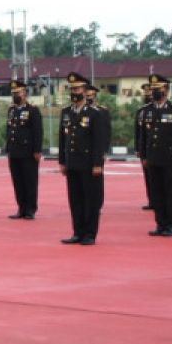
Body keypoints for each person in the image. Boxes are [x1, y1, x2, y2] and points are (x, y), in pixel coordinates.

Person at [59, 73, 108, 245]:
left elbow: (99, 141)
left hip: (89, 164)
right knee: (75, 200)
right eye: (72, 89)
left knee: (90, 200)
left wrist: (97, 164)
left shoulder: (95, 114)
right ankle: (77, 232)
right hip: (72, 163)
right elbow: (62, 139)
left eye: (78, 88)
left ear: (85, 90)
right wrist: (62, 161)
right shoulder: (66, 112)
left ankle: (89, 234)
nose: (74, 92)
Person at [140, 74, 172, 237]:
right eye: (154, 89)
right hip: (153, 158)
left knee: (171, 193)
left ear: (167, 90)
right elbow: (144, 136)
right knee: (157, 192)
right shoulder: (147, 111)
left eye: (159, 89)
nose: (156, 92)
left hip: (171, 159)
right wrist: (144, 156)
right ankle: (160, 223)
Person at [5, 79, 43, 219]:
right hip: (14, 151)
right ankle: (21, 207)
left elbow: (37, 131)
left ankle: (30, 209)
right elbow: (9, 130)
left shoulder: (32, 110)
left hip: (28, 152)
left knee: (29, 181)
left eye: (18, 92)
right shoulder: (12, 110)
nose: (15, 95)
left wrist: (37, 150)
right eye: (13, 93)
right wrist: (8, 148)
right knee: (18, 181)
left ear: (25, 93)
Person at [135, 84, 153, 210]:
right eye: (146, 94)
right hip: (145, 149)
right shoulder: (141, 111)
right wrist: (137, 148)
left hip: (160, 150)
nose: (147, 96)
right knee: (148, 176)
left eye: (149, 94)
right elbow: (138, 131)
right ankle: (152, 200)